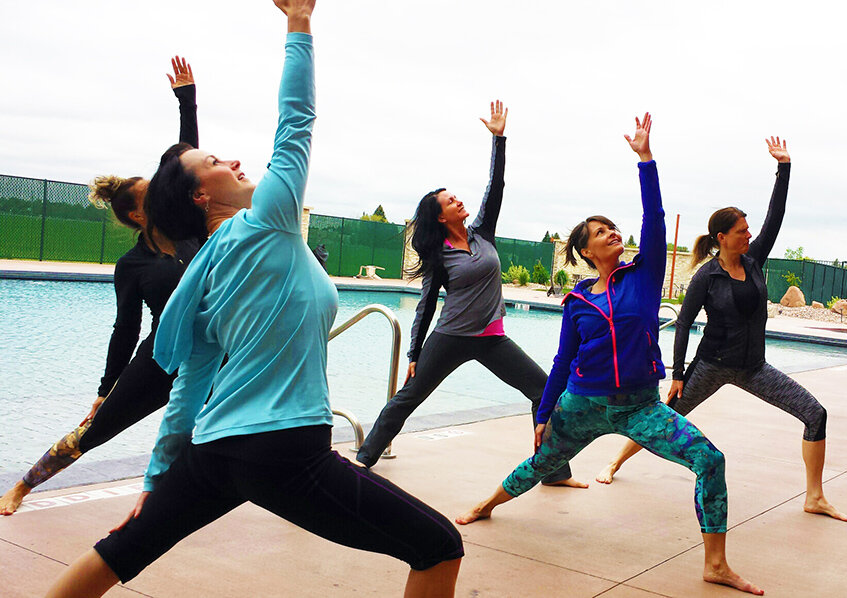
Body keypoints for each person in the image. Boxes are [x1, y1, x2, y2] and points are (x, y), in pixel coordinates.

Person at [45, 3, 463, 597]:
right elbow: (297, 120)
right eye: (215, 162)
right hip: (284, 449)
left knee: (118, 554)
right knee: (438, 546)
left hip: (216, 448)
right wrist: (299, 22)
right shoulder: (268, 219)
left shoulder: (205, 269)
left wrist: (156, 480)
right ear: (197, 197)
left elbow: (190, 384)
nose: (234, 161)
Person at [456, 114, 763, 595]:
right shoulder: (578, 302)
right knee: (539, 464)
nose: (612, 233)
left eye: (613, 227)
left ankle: (716, 564)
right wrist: (544, 412)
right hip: (582, 404)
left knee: (710, 460)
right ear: (584, 249)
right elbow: (561, 361)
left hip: (641, 406)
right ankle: (487, 505)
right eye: (600, 232)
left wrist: (646, 160)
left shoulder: (642, 275)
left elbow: (654, 221)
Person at [595, 137, 847, 523]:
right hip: (711, 366)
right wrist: (679, 374)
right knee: (662, 419)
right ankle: (615, 462)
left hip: (754, 367)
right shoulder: (706, 276)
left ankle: (814, 496)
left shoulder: (754, 259)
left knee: (815, 414)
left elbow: (775, 218)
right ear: (722, 238)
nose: (748, 235)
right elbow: (683, 322)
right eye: (741, 231)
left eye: (749, 230)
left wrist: (784, 168)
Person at [0, 55, 201, 516]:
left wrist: (187, 101)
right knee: (95, 428)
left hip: (214, 354)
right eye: (155, 193)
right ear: (136, 213)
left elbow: (188, 164)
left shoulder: (196, 234)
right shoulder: (133, 265)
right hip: (162, 357)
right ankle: (23, 486)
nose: (169, 193)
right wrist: (108, 385)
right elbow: (124, 329)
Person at [354, 101, 583, 489]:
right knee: (408, 399)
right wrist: (414, 353)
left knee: (545, 393)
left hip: (492, 339)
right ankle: (363, 459)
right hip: (451, 338)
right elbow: (427, 305)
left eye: (457, 197)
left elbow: (497, 188)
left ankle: (552, 471)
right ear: (441, 217)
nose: (459, 201)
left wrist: (499, 139)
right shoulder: (438, 254)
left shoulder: (482, 233)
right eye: (450, 201)